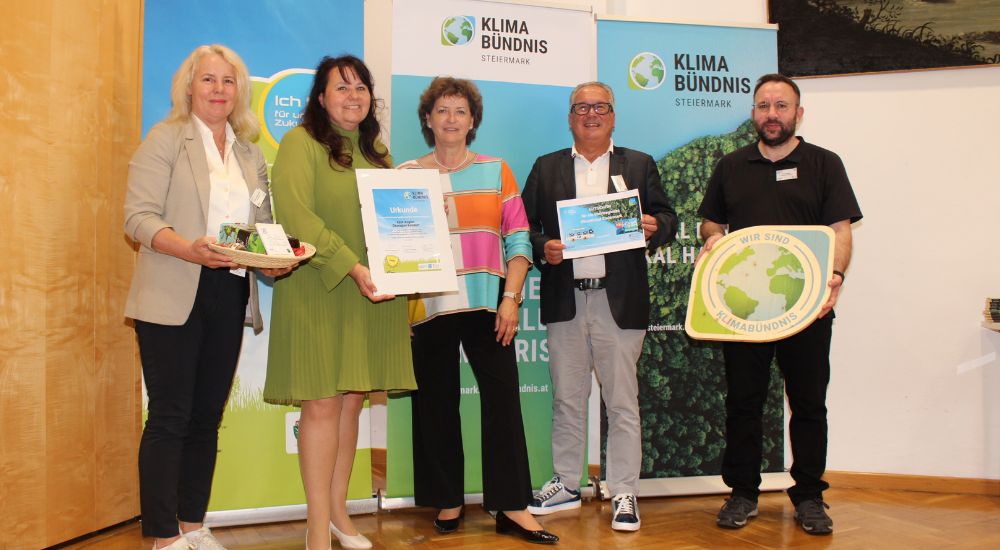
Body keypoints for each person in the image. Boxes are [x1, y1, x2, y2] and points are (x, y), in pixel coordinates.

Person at [124, 44, 290, 550]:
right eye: (208, 80)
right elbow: (138, 218)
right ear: (189, 87)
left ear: (239, 91)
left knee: (206, 415)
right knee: (171, 415)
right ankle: (161, 533)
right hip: (174, 285)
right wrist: (191, 249)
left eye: (228, 81)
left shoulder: (250, 152)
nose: (219, 90)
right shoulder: (165, 139)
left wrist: (277, 258)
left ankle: (193, 525)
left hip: (230, 289)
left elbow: (259, 230)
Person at [697, 73, 862, 536]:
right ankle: (743, 492)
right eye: (764, 105)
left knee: (809, 404)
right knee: (743, 403)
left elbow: (841, 231)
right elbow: (711, 225)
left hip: (807, 309)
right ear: (754, 113)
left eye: (782, 105)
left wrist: (836, 278)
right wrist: (714, 242)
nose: (772, 114)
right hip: (745, 310)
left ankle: (810, 496)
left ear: (798, 113)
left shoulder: (825, 164)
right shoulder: (731, 166)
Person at [262, 55, 416, 550]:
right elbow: (295, 217)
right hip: (319, 288)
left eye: (361, 87)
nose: (353, 96)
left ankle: (338, 517)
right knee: (324, 405)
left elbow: (396, 222)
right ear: (322, 97)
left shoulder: (378, 152)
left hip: (371, 295)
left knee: (352, 404)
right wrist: (352, 265)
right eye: (341, 87)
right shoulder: (299, 143)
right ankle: (315, 529)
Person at [398, 77, 558, 545]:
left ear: (473, 121)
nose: (451, 119)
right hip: (428, 306)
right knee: (436, 403)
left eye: (460, 111)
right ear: (428, 119)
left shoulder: (495, 171)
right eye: (442, 110)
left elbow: (518, 240)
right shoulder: (407, 174)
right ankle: (448, 498)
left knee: (504, 403)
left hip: (488, 304)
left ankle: (512, 506)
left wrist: (511, 298)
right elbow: (397, 245)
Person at [521, 81, 677, 532]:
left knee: (622, 401)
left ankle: (624, 491)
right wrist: (542, 246)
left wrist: (654, 226)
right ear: (570, 117)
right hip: (566, 298)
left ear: (613, 115)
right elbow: (525, 227)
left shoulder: (640, 164)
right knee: (568, 399)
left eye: (600, 107)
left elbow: (668, 217)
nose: (591, 114)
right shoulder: (547, 167)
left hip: (619, 300)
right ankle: (567, 483)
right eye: (581, 107)